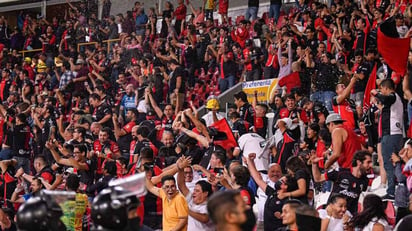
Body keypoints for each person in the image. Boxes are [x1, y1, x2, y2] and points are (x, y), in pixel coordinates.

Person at [371, 79, 404, 200]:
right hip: (394, 134)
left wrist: (375, 93)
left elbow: (385, 99)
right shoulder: (395, 99)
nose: (381, 92)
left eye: (381, 89)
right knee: (394, 162)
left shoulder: (392, 96)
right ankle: (396, 190)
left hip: (391, 134)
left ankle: (392, 191)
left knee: (389, 163)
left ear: (385, 88)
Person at [312, 150, 372, 215]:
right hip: (332, 215)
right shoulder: (341, 173)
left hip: (348, 218)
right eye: (368, 162)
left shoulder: (365, 180)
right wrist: (314, 164)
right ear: (359, 162)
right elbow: (318, 178)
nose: (371, 165)